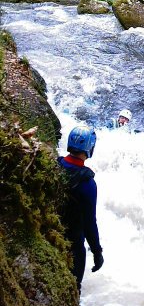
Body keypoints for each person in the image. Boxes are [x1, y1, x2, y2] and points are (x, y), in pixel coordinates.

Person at [57, 125, 104, 293]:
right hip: (74, 244)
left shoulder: (56, 164)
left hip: (52, 234)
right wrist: (97, 252)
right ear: (90, 148)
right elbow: (90, 223)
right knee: (72, 289)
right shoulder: (87, 183)